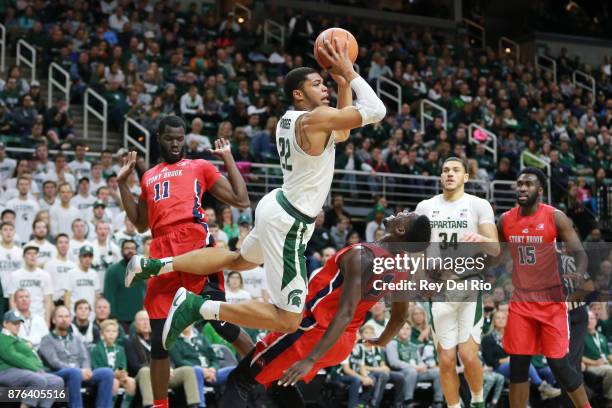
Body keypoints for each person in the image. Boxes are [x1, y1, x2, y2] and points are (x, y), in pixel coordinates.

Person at [129, 40, 387, 350]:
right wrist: (350, 72)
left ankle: (159, 265)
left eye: (325, 83)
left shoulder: (290, 120)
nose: (325, 88)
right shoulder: (315, 119)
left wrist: (343, 83)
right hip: (290, 221)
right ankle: (198, 307)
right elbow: (376, 110)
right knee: (290, 319)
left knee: (240, 260)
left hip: (276, 204)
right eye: (317, 84)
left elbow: (342, 130)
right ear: (298, 94)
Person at [218, 211, 430, 407]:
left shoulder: (362, 255)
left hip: (313, 332)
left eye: (406, 215)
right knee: (280, 384)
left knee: (240, 380)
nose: (402, 212)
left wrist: (310, 359)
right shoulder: (403, 266)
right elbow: (401, 315)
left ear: (400, 230)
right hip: (341, 341)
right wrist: (383, 340)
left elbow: (345, 312)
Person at [116, 114, 253, 408]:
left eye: (180, 138)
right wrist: (122, 185)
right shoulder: (148, 175)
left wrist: (227, 157)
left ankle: (265, 374)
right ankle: (161, 405)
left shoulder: (200, 166)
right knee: (158, 341)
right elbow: (140, 224)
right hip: (161, 249)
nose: (176, 144)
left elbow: (241, 199)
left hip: (195, 244)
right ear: (159, 139)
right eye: (170, 139)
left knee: (222, 324)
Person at [496, 167, 590, 407]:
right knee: (518, 365)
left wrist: (577, 274)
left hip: (551, 302)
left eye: (528, 184)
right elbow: (494, 256)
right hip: (521, 302)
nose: (522, 188)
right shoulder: (505, 220)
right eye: (519, 184)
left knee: (559, 364)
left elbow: (580, 254)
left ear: (540, 189)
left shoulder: (554, 216)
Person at [415, 156, 500, 408]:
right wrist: (420, 279)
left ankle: (477, 401)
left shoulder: (479, 205)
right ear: (441, 177)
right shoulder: (425, 207)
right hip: (439, 288)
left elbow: (495, 248)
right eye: (445, 170)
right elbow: (417, 251)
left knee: (468, 356)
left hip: (468, 285)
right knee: (446, 359)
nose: (449, 174)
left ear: (466, 176)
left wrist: (479, 239)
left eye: (455, 170)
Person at [38, 305, 115, 408]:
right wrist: (78, 370)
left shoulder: (76, 338)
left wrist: (86, 369)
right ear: (53, 320)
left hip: (80, 373)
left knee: (107, 373)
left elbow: (84, 357)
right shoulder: (47, 340)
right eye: (60, 317)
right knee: (74, 373)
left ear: (70, 319)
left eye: (66, 316)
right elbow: (54, 362)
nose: (64, 320)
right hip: (58, 374)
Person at [124, 310, 201, 408]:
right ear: (135, 324)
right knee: (145, 371)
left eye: (148, 320)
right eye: (142, 320)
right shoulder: (130, 342)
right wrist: (158, 369)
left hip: (163, 375)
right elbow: (135, 366)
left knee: (187, 370)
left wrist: (170, 368)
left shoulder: (159, 339)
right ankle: (150, 405)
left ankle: (194, 405)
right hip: (143, 377)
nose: (145, 323)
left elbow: (170, 358)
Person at [481, 310, 561, 399]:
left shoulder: (510, 336)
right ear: (494, 321)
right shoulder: (487, 339)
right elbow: (488, 360)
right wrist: (506, 360)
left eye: (503, 318)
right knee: (523, 365)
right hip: (496, 368)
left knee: (545, 370)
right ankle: (542, 386)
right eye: (498, 318)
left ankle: (544, 395)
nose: (501, 320)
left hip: (514, 364)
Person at [0, 310, 64, 408]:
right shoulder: (2, 337)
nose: (17, 326)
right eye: (14, 323)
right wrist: (36, 368)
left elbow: (33, 356)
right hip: (6, 371)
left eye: (18, 323)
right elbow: (13, 357)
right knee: (38, 379)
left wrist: (36, 365)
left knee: (57, 381)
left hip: (22, 371)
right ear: (5, 323)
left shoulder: (20, 339)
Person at [169, 324, 235, 408]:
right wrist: (202, 370)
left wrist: (213, 369)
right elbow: (179, 361)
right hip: (193, 373)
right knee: (196, 370)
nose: (186, 324)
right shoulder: (174, 341)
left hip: (212, 373)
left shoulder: (201, 337)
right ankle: (201, 405)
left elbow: (214, 358)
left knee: (236, 369)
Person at [385, 323, 444, 407]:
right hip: (400, 372)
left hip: (416, 371)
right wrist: (414, 367)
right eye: (402, 328)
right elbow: (394, 362)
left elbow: (419, 360)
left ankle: (438, 401)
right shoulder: (392, 343)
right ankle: (407, 401)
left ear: (410, 331)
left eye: (408, 329)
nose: (405, 331)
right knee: (411, 371)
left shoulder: (412, 345)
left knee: (438, 372)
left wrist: (422, 366)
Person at [91, 319, 136, 408]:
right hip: (104, 378)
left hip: (119, 376)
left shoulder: (120, 349)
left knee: (131, 382)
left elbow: (123, 365)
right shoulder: (96, 349)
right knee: (114, 382)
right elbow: (96, 367)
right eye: (108, 331)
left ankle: (125, 406)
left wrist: (122, 373)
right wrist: (113, 374)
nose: (111, 334)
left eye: (114, 331)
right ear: (102, 334)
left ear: (117, 334)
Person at [360, 324, 406, 408]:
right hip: (368, 373)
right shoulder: (359, 348)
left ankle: (398, 404)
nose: (369, 335)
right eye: (366, 333)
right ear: (361, 335)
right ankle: (374, 404)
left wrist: (384, 367)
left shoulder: (377, 348)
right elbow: (361, 367)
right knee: (383, 375)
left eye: (371, 333)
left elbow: (382, 364)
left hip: (380, 372)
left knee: (400, 376)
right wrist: (378, 369)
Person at [104, 240, 146, 329]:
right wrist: (112, 317)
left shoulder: (142, 269)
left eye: (132, 248)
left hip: (139, 318)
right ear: (121, 251)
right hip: (120, 319)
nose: (130, 251)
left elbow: (145, 292)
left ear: (136, 251)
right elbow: (109, 295)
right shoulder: (113, 271)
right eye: (127, 248)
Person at [8, 246, 53, 326]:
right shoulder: (15, 275)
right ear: (24, 257)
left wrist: (47, 322)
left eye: (35, 254)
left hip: (39, 317)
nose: (32, 256)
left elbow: (48, 301)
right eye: (29, 253)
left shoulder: (45, 275)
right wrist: (15, 319)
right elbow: (12, 300)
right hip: (21, 318)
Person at [583, 310, 612, 406]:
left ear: (596, 320)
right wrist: (595, 363)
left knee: (609, 368)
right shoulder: (581, 337)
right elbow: (580, 357)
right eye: (587, 319)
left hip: (604, 363)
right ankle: (608, 399)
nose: (590, 321)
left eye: (592, 318)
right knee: (610, 370)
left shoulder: (602, 337)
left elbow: (608, 354)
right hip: (592, 366)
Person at [64, 245, 100, 311]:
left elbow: (96, 296)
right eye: (84, 256)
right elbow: (67, 295)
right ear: (79, 258)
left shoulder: (94, 274)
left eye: (90, 256)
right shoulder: (71, 273)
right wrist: (68, 312)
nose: (87, 259)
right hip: (74, 313)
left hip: (91, 313)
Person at [5, 176, 39, 244]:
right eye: (21, 184)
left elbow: (37, 223)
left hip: (30, 238)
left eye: (26, 184)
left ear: (29, 186)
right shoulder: (10, 203)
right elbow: (7, 223)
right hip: (14, 238)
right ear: (17, 186)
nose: (24, 187)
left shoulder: (35, 205)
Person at [44, 233, 75, 305]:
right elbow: (46, 287)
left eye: (66, 242)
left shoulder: (73, 265)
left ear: (69, 245)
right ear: (56, 245)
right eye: (60, 242)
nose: (63, 245)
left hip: (71, 302)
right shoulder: (49, 265)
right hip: (55, 302)